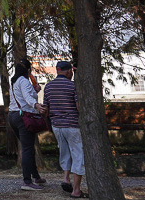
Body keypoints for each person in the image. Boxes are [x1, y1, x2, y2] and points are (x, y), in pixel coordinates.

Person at [43, 61, 86, 198]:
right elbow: (79, 106)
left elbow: (45, 109)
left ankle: (66, 179)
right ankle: (76, 190)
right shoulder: (73, 86)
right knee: (78, 155)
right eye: (72, 71)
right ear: (68, 72)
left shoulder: (48, 87)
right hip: (72, 125)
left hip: (56, 126)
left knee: (65, 152)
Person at [8, 59, 47, 191]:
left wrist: (34, 90)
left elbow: (23, 97)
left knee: (28, 147)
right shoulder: (24, 81)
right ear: (28, 70)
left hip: (13, 116)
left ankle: (36, 176)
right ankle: (27, 181)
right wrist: (36, 104)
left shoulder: (14, 81)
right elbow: (27, 98)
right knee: (27, 149)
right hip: (24, 117)